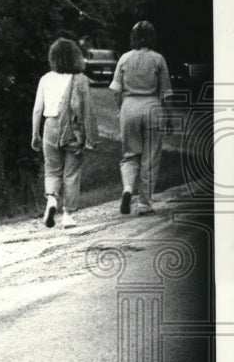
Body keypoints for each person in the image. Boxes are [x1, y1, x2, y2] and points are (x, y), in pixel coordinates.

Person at [31, 37, 99, 229]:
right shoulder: (81, 80)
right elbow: (87, 110)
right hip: (73, 129)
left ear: (53, 57)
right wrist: (90, 137)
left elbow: (37, 109)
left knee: (51, 170)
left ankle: (51, 201)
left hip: (50, 127)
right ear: (76, 57)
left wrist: (35, 134)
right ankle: (68, 215)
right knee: (71, 173)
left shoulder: (45, 79)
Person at [109, 20, 171, 215]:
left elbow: (116, 91)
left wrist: (122, 109)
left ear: (133, 38)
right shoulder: (158, 59)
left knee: (129, 154)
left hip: (129, 108)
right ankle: (144, 202)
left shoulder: (124, 59)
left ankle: (127, 189)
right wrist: (168, 116)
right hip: (152, 107)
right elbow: (166, 93)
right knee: (150, 157)